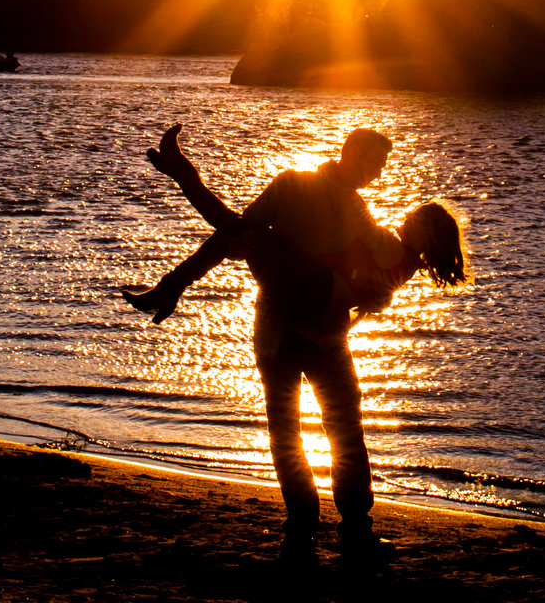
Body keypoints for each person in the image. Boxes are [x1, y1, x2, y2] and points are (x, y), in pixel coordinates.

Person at [121, 124, 467, 571]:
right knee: (313, 432)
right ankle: (320, 531)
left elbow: (375, 270)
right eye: (376, 164)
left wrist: (373, 290)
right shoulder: (316, 193)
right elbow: (376, 268)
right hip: (290, 327)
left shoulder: (337, 201)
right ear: (354, 153)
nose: (380, 175)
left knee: (331, 431)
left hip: (319, 329)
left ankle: (328, 532)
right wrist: (373, 290)